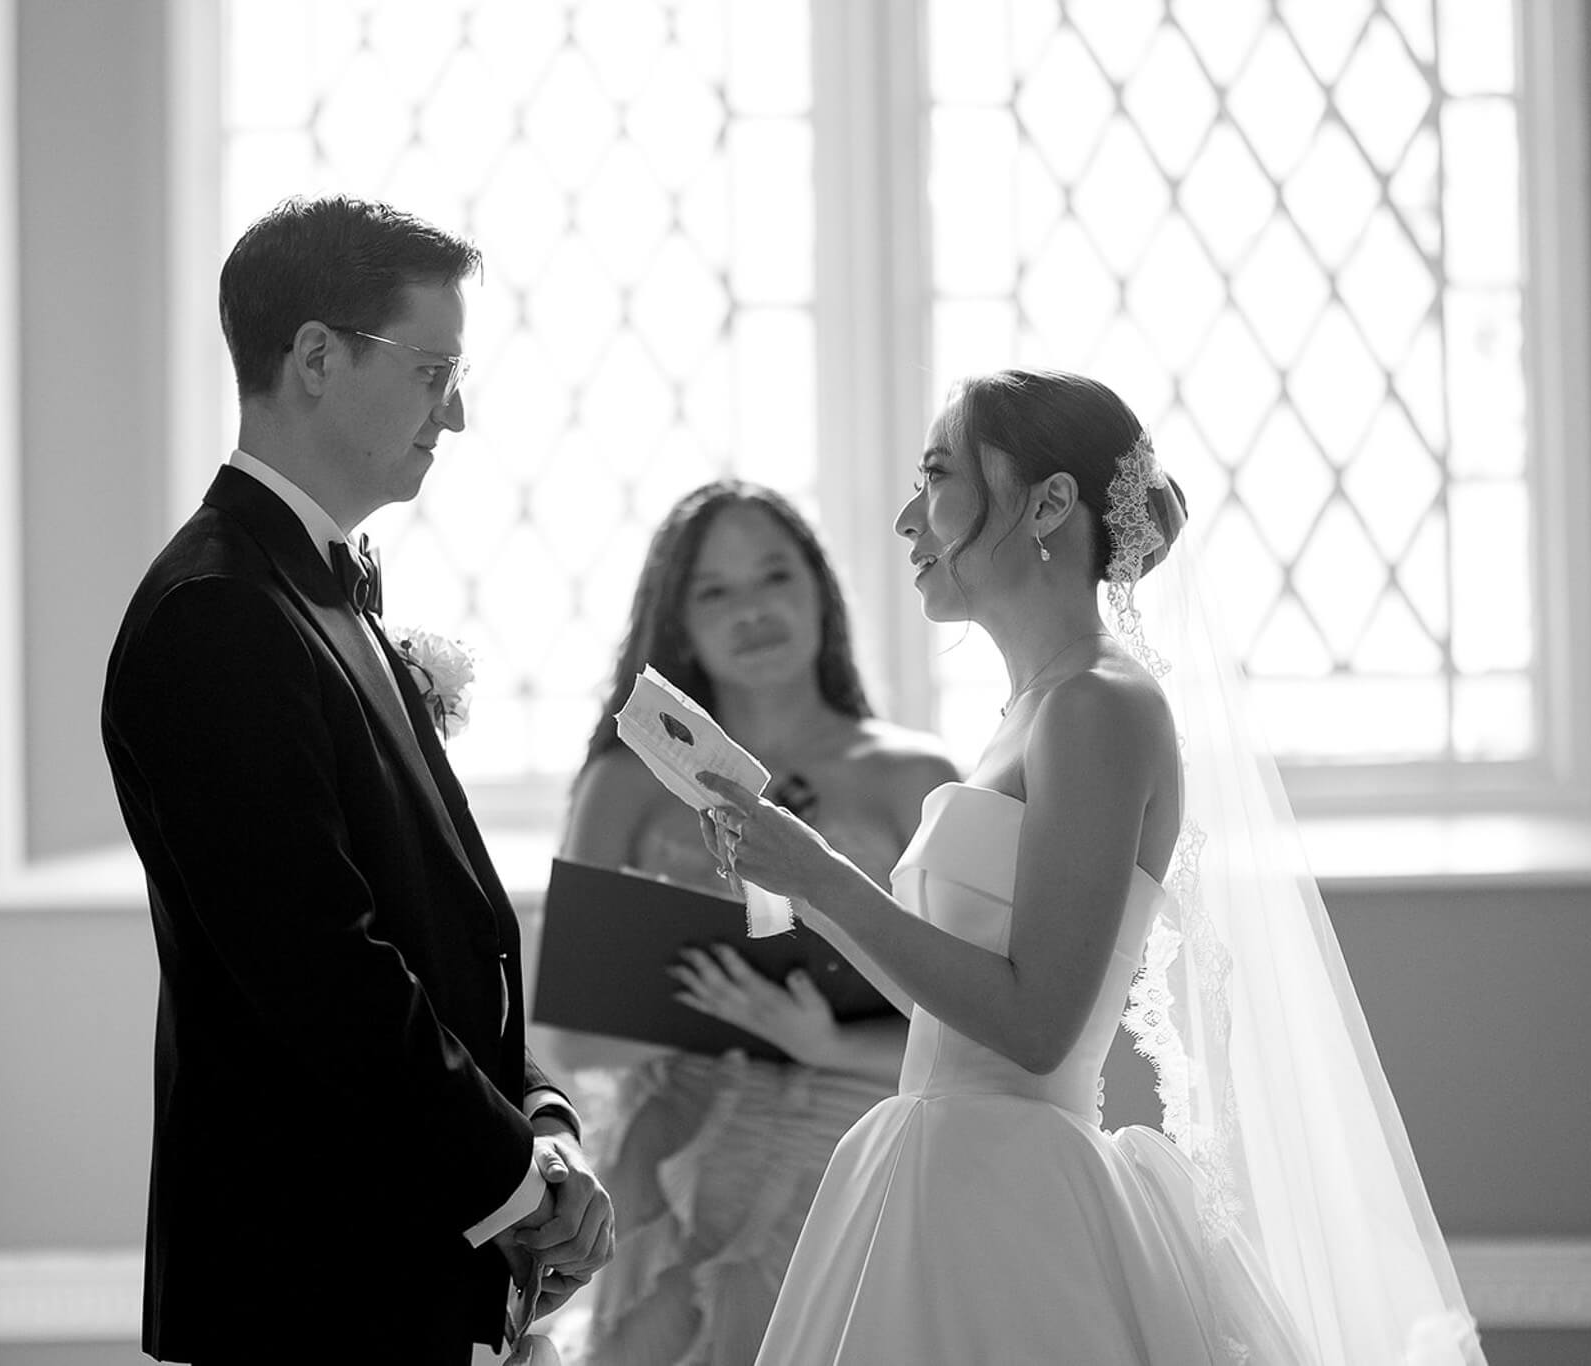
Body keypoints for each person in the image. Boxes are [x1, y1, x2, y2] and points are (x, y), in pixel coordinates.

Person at [696, 370, 1483, 1364]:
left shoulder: (1100, 705)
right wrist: (791, 877)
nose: (906, 518)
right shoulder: (1026, 713)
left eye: (934, 475)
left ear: (1050, 502)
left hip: (1013, 1199)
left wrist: (817, 873)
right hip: (931, 1169)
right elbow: (942, 1007)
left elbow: (1035, 1025)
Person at [100, 196, 612, 1365]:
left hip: (394, 1270)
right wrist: (512, 1185)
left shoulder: (322, 593)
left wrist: (539, 1118)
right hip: (312, 1290)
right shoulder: (217, 613)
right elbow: (320, 965)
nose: (460, 412)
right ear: (318, 358)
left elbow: (433, 929)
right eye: (433, 370)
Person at [553, 481, 959, 1366]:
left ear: (821, 590)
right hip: (674, 1160)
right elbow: (568, 1035)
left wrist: (821, 1044)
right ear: (679, 620)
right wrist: (711, 1013)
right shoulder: (621, 783)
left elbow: (972, 1024)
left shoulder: (915, 773)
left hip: (852, 1156)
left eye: (775, 575)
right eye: (715, 591)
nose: (753, 609)